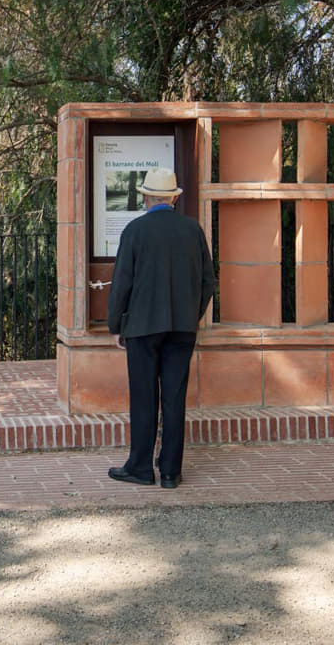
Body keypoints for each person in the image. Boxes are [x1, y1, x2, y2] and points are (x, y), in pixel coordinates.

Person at [105, 167, 215, 489]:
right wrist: (191, 316)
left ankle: (140, 467)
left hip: (142, 327)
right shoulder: (193, 230)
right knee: (174, 398)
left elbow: (121, 284)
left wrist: (116, 324)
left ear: (145, 196)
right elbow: (208, 282)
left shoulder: (135, 231)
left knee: (144, 397)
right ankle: (170, 472)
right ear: (174, 198)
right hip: (182, 328)